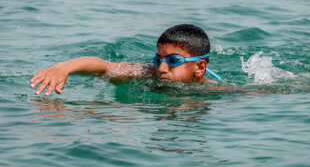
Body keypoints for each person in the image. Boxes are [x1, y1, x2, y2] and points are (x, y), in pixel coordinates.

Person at [30, 24, 222, 96]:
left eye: (173, 60)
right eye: (158, 60)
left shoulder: (212, 91)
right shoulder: (146, 73)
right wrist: (65, 67)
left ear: (199, 67)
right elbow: (103, 68)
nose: (162, 69)